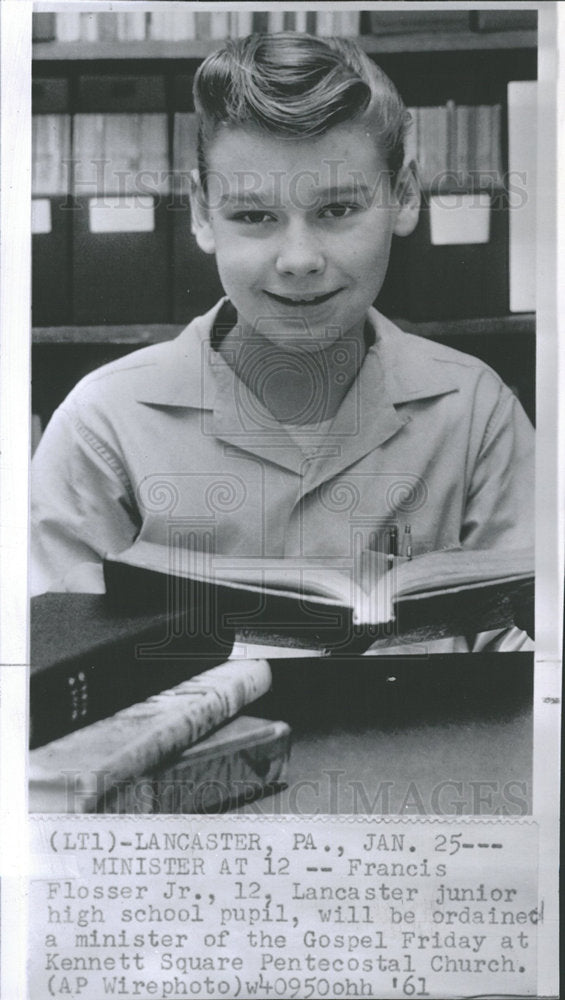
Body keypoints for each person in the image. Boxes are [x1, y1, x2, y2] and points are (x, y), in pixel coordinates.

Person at [31, 33, 533, 652]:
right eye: (254, 216)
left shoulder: (477, 411)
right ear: (200, 213)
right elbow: (53, 674)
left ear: (404, 196)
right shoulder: (102, 425)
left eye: (338, 209)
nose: (299, 259)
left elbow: (535, 665)